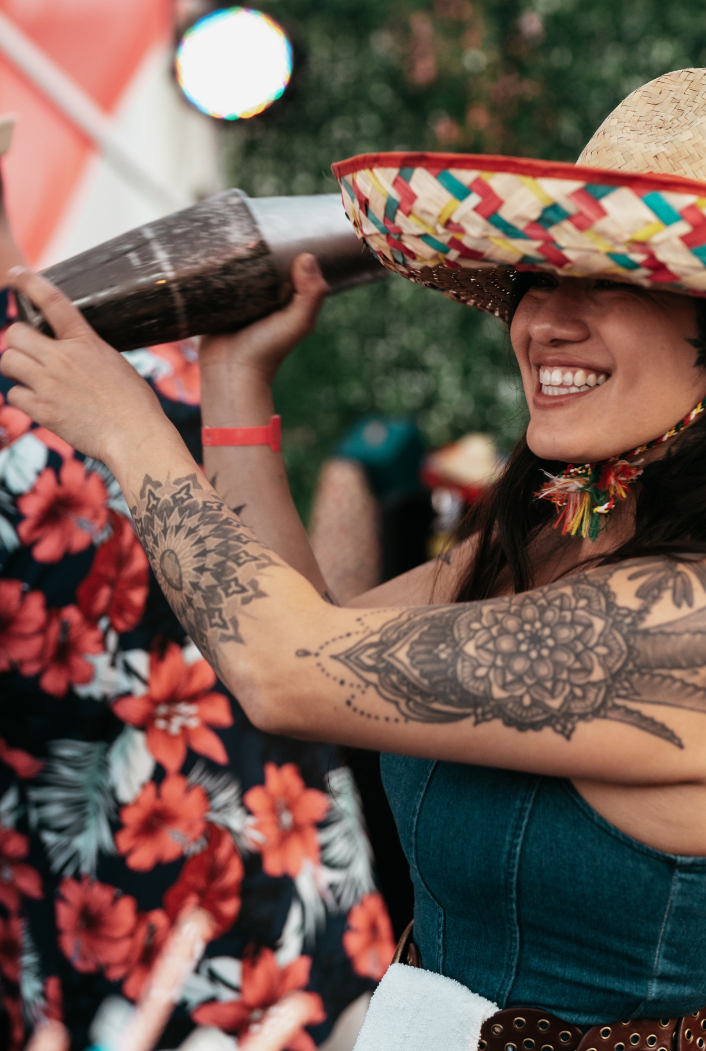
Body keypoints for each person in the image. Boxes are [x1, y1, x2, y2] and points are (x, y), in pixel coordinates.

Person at [0, 69, 706, 1051]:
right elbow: (300, 622)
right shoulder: (536, 542)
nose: (544, 322)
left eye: (608, 286)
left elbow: (281, 666)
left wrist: (132, 434)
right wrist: (233, 377)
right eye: (537, 280)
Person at [0, 167, 394, 1051]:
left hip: (119, 928)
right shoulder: (166, 336)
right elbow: (304, 602)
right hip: (301, 870)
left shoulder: (150, 341)